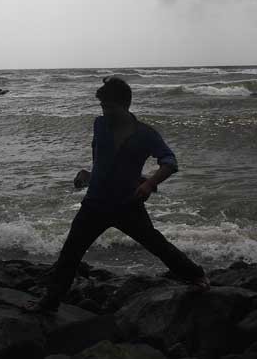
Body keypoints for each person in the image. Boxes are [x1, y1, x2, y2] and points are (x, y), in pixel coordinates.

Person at [29, 76, 209, 312]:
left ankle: (196, 276)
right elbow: (100, 157)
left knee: (157, 245)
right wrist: (89, 174)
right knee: (70, 254)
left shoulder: (145, 134)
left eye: (109, 107)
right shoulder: (99, 124)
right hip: (94, 204)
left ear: (125, 105)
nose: (105, 112)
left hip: (128, 205)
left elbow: (170, 162)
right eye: (102, 107)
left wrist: (149, 184)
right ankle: (50, 302)